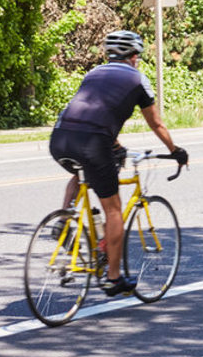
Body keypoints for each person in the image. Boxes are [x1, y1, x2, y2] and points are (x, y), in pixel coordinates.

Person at [49, 30, 188, 296]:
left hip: (60, 138)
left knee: (81, 175)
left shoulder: (93, 74)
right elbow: (156, 123)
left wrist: (117, 147)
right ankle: (113, 278)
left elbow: (91, 113)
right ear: (134, 56)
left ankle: (65, 218)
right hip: (93, 142)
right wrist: (176, 150)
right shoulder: (138, 80)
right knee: (114, 209)